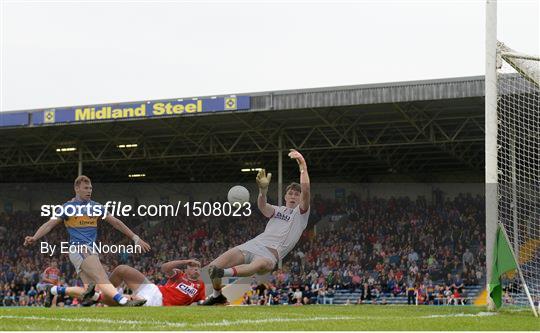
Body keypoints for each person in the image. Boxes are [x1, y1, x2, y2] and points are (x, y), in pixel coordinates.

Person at [203, 149, 310, 305]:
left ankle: (224, 273)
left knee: (257, 266)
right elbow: (262, 206)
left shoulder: (301, 214)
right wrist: (263, 190)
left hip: (269, 255)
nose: (293, 196)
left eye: (296, 194)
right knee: (213, 266)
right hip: (253, 244)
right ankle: (217, 295)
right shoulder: (277, 210)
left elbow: (306, 190)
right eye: (291, 193)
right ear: (285, 196)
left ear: (300, 198)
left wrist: (303, 166)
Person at [23, 175, 151, 307]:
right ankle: (124, 301)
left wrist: (135, 238)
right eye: (85, 188)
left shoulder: (96, 206)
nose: (89, 190)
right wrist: (35, 237)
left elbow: (116, 223)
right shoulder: (67, 207)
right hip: (80, 248)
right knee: (102, 278)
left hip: (86, 250)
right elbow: (49, 224)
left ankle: (53, 290)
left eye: (90, 188)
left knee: (90, 292)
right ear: (76, 189)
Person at [81, 259, 205, 307]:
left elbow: (203, 302)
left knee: (128, 301)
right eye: (193, 267)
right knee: (122, 269)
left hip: (159, 303)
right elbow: (164, 268)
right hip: (154, 289)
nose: (196, 269)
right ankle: (98, 293)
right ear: (186, 269)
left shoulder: (200, 285)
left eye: (198, 268)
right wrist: (185, 261)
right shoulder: (179, 275)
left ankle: (95, 297)